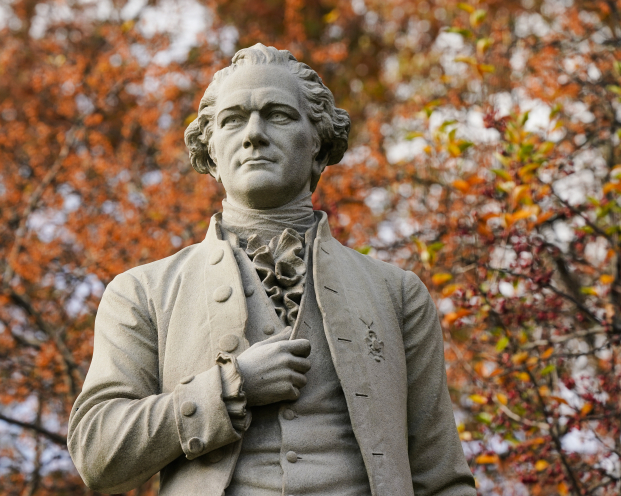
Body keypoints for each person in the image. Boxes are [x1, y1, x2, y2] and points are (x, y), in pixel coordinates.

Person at [68, 43, 476, 496]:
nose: (254, 135)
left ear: (318, 143)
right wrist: (232, 386)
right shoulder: (143, 291)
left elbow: (442, 479)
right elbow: (97, 453)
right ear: (210, 152)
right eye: (232, 120)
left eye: (278, 115)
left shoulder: (396, 293)